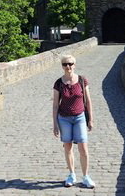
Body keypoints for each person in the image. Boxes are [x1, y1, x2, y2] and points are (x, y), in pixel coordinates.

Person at [52, 54, 95, 189]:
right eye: (65, 64)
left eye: (70, 64)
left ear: (74, 65)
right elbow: (55, 104)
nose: (68, 66)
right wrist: (54, 124)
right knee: (68, 147)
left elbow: (88, 101)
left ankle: (86, 176)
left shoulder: (82, 80)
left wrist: (91, 119)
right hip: (64, 118)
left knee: (83, 148)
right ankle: (71, 174)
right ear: (62, 66)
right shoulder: (59, 83)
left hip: (80, 118)